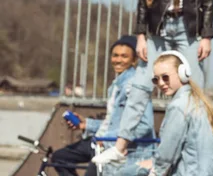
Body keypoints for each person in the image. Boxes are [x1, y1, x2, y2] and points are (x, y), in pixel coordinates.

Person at [92, 0, 213, 165]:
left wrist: (206, 35)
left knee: (196, 90)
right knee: (139, 85)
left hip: (188, 30)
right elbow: (142, 0)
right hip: (158, 30)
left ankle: (208, 152)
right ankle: (121, 145)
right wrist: (140, 35)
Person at [52, 35, 155, 176]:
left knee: (60, 158)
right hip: (103, 144)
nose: (118, 60)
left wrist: (108, 138)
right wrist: (86, 124)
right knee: (60, 158)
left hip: (120, 150)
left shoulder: (133, 86)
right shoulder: (116, 85)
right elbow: (114, 123)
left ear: (134, 60)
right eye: (115, 55)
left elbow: (145, 125)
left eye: (124, 56)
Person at [120, 51, 213, 176]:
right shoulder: (198, 102)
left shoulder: (179, 106)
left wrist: (156, 171)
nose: (161, 83)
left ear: (182, 73)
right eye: (156, 79)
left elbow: (167, 153)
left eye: (165, 77)